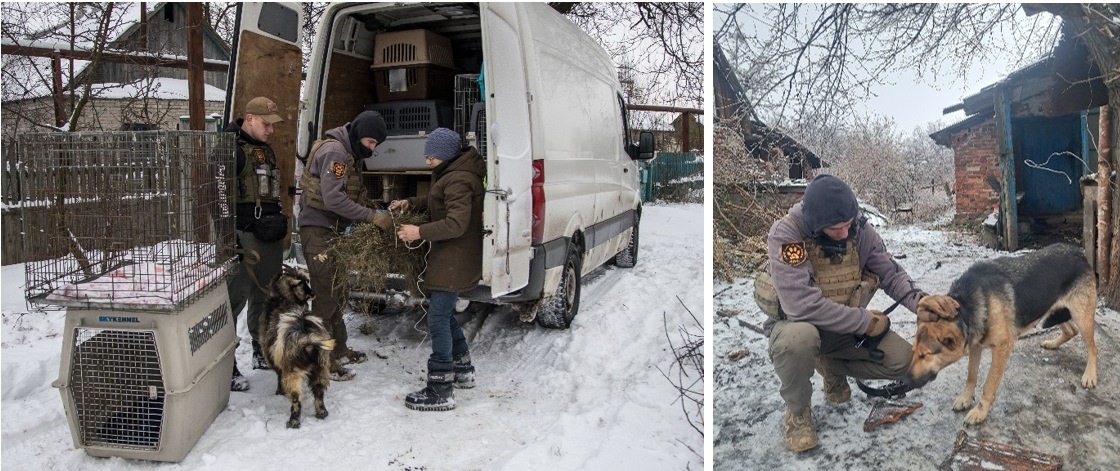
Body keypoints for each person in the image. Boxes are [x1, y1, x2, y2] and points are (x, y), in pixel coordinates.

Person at [755, 174, 956, 452]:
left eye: (848, 225)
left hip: (843, 330)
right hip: (797, 327)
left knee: (905, 362)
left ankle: (830, 366)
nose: (845, 234)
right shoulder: (787, 233)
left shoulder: (859, 230)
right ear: (816, 225)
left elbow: (889, 273)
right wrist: (865, 321)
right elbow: (799, 305)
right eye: (836, 229)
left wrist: (920, 301)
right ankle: (798, 413)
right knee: (797, 340)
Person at [389, 127, 483, 411]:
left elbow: (456, 223)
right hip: (451, 255)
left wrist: (419, 231)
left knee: (438, 318)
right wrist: (411, 202)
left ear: (445, 155)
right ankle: (462, 369)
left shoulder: (459, 180)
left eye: (431, 157)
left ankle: (440, 386)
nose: (427, 162)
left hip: (455, 256)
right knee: (440, 313)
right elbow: (437, 203)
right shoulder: (451, 175)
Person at [298, 110, 393, 381]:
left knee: (337, 292)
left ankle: (338, 348)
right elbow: (333, 200)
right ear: (358, 134)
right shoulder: (336, 153)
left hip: (332, 231)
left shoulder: (348, 152)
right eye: (371, 143)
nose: (372, 149)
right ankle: (320, 362)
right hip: (318, 232)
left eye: (376, 145)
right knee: (325, 298)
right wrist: (371, 217)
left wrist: (373, 209)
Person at [225, 96, 287, 392]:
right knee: (234, 301)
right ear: (250, 118)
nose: (271, 130)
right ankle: (227, 365)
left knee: (264, 297)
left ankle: (260, 349)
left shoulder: (265, 150)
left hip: (268, 235)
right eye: (266, 124)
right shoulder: (229, 150)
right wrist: (227, 236)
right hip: (242, 237)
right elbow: (213, 197)